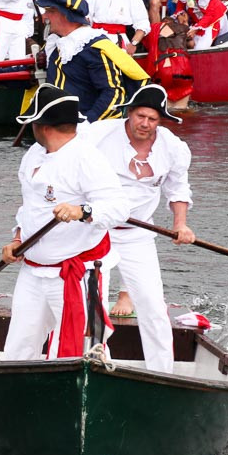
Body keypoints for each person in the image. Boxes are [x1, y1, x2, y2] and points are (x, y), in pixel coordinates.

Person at [0, 82, 130, 361]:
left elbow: (119, 208)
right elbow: (30, 207)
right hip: (34, 268)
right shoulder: (33, 155)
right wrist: (17, 238)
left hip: (77, 271)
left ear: (43, 126)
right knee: (19, 345)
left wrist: (81, 211)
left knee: (82, 351)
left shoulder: (87, 159)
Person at [85, 85, 194, 373]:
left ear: (161, 121)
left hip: (138, 235)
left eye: (153, 119)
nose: (145, 124)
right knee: (95, 306)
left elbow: (177, 189)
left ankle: (163, 372)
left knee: (153, 307)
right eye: (140, 116)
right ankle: (96, 362)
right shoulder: (96, 135)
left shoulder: (173, 148)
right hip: (95, 232)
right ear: (129, 113)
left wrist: (180, 224)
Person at [42, 0, 148, 121]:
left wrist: (86, 123)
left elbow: (113, 94)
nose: (44, 16)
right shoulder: (56, 42)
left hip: (91, 131)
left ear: (65, 15)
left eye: (49, 11)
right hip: (60, 125)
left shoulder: (93, 48)